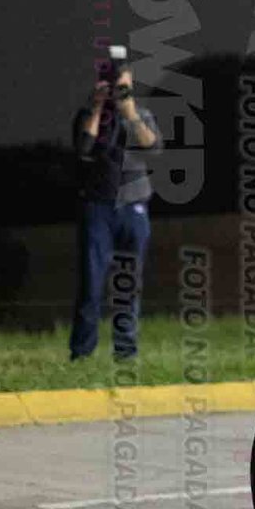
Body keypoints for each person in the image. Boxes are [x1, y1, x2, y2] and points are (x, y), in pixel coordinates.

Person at [70, 59, 162, 361]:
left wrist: (130, 113)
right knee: (91, 283)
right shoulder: (88, 114)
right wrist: (97, 107)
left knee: (128, 283)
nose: (119, 92)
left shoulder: (141, 115)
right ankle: (82, 352)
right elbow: (83, 147)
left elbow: (153, 147)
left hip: (133, 207)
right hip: (97, 207)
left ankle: (126, 351)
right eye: (114, 86)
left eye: (124, 86)